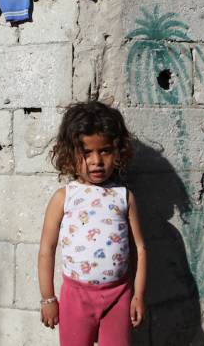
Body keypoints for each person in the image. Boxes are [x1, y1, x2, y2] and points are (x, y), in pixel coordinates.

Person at [38, 101, 147, 346]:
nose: (96, 160)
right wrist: (48, 298)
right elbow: (46, 250)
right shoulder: (64, 197)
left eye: (105, 151)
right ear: (70, 154)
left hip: (119, 295)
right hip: (75, 297)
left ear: (117, 151)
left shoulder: (124, 197)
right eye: (86, 153)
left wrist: (138, 295)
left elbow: (139, 249)